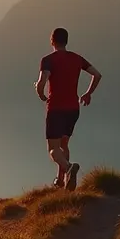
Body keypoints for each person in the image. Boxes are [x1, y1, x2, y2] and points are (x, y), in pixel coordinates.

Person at [35, 27, 102, 191]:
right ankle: (61, 180)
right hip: (73, 109)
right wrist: (87, 94)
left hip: (56, 108)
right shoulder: (77, 59)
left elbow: (43, 80)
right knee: (64, 144)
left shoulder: (48, 60)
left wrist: (40, 93)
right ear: (66, 41)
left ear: (52, 41)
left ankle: (69, 168)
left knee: (53, 149)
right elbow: (97, 74)